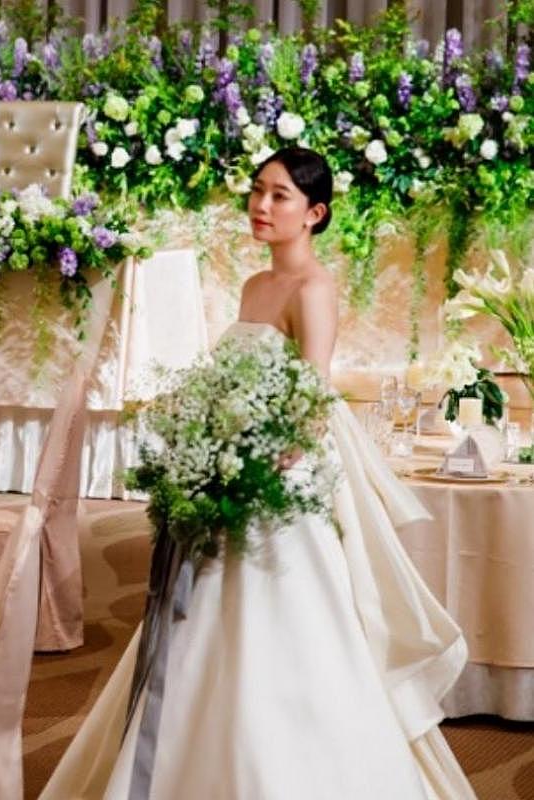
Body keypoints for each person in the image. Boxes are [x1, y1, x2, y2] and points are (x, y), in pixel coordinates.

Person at [40, 148, 476, 800]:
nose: (260, 205)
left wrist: (253, 467)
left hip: (280, 480)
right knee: (205, 624)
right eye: (257, 191)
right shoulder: (253, 285)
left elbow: (311, 399)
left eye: (279, 196)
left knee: (288, 626)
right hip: (233, 466)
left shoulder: (314, 289)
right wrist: (202, 439)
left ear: (314, 213)